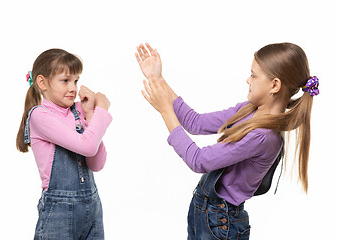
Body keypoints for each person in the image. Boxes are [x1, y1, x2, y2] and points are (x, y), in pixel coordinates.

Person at [135, 42, 318, 240]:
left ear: (274, 85)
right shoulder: (248, 110)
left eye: (254, 75)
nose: (248, 79)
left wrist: (166, 111)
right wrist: (157, 79)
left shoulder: (262, 137)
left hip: (220, 223)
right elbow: (196, 122)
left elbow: (199, 160)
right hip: (204, 213)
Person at [16, 48, 112, 239]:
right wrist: (101, 109)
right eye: (65, 81)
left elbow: (96, 163)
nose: (73, 88)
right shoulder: (40, 115)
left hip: (92, 205)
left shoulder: (78, 111)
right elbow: (87, 146)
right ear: (42, 82)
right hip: (59, 211)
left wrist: (90, 115)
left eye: (76, 81)